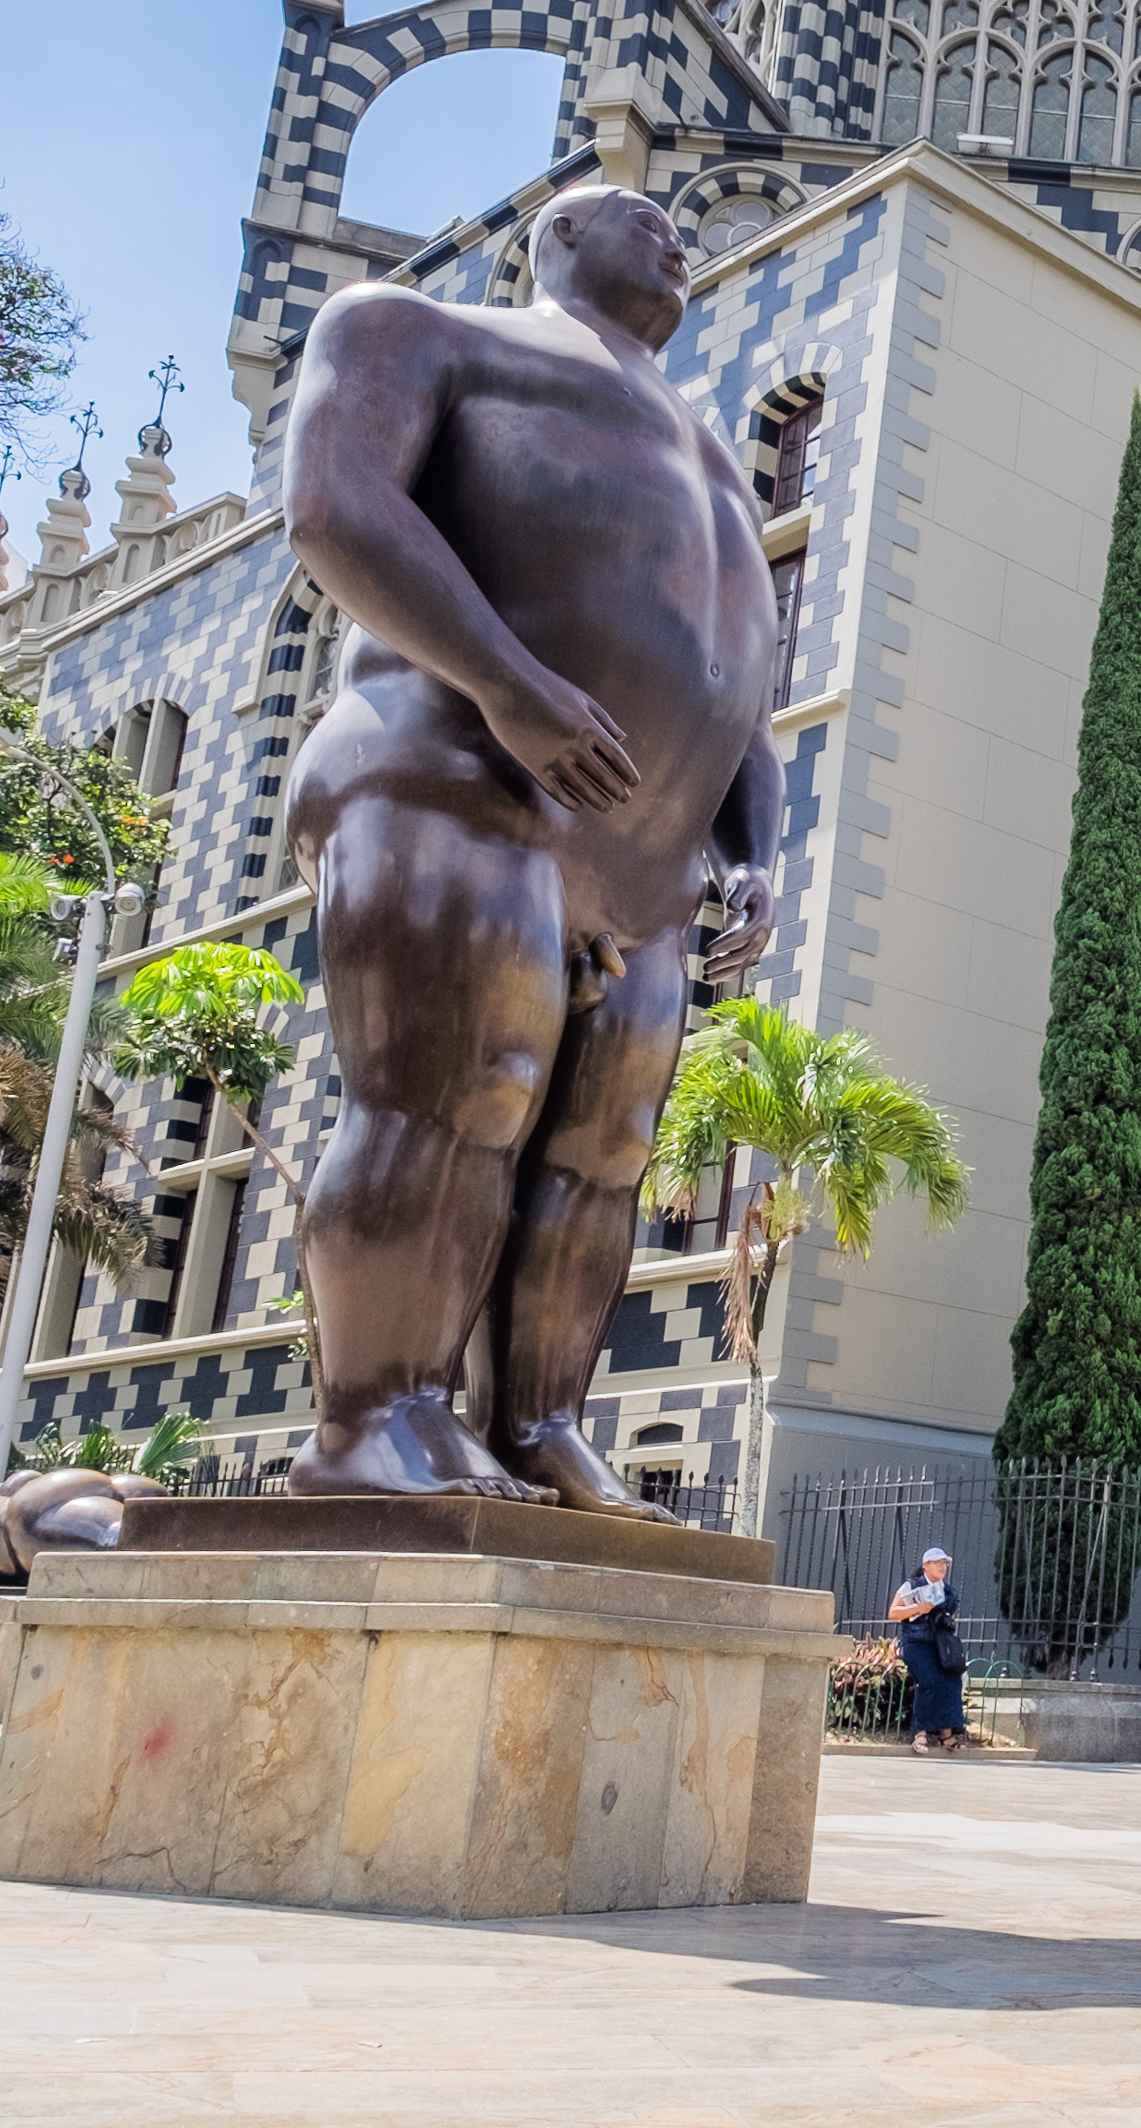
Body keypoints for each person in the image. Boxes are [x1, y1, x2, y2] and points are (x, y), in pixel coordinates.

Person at [276, 184, 780, 1514]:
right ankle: (374, 1417)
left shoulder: (718, 457)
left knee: (603, 1149)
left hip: (644, 869)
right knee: (459, 1089)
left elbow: (738, 689)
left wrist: (753, 850)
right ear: (555, 240)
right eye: (645, 213)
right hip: (452, 769)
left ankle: (541, 1421)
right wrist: (505, 683)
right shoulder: (417, 329)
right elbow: (332, 508)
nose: (680, 233)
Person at [888, 1545, 968, 1753]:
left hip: (939, 1645)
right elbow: (893, 1613)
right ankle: (920, 1733)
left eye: (945, 1563)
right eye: (939, 1563)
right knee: (929, 1680)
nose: (943, 1567)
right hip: (915, 1644)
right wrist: (918, 1609)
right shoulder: (912, 1586)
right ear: (926, 1565)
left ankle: (947, 1734)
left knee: (951, 1680)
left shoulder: (949, 1592)